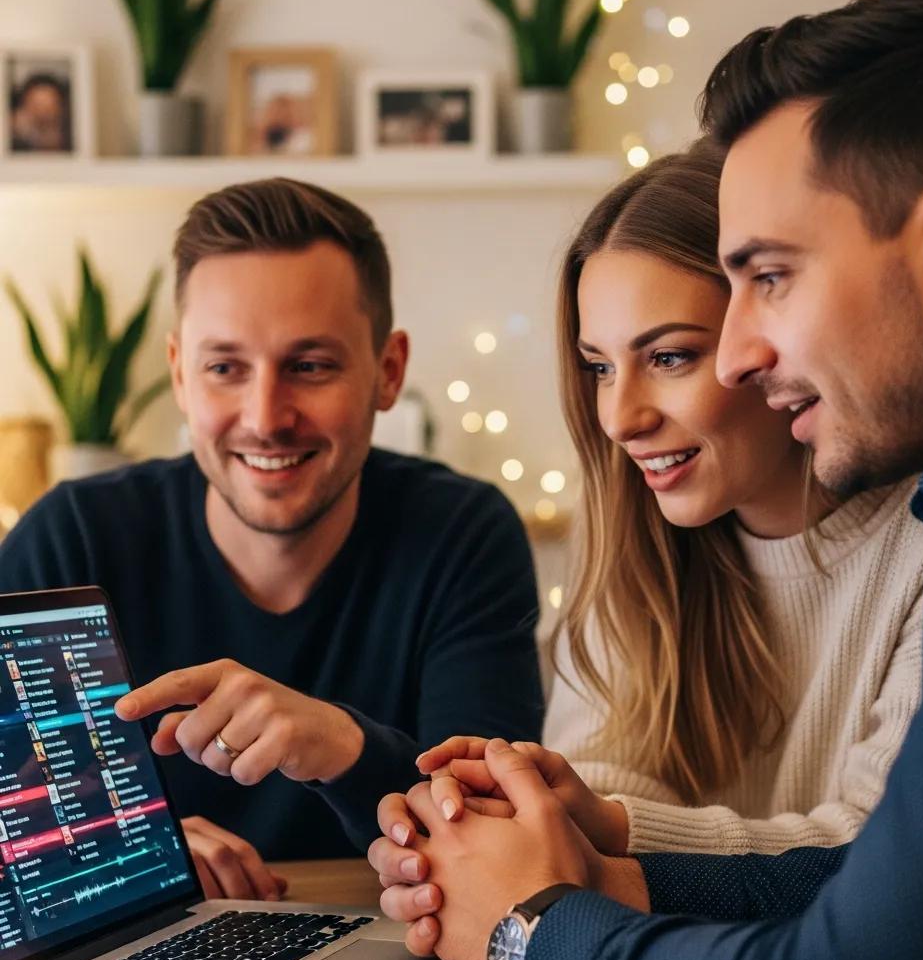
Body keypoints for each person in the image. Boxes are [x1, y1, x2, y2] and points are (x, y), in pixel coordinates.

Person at [369, 0, 923, 960]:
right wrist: (591, 854)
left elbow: (868, 942)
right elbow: (878, 874)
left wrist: (528, 928)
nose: (740, 349)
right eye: (597, 366)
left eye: (768, 277)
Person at [0, 178, 543, 900]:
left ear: (388, 372)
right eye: (225, 368)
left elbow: (497, 840)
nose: (266, 417)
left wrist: (345, 749)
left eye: (310, 366)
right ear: (179, 375)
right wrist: (131, 854)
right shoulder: (72, 536)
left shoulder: (463, 536)